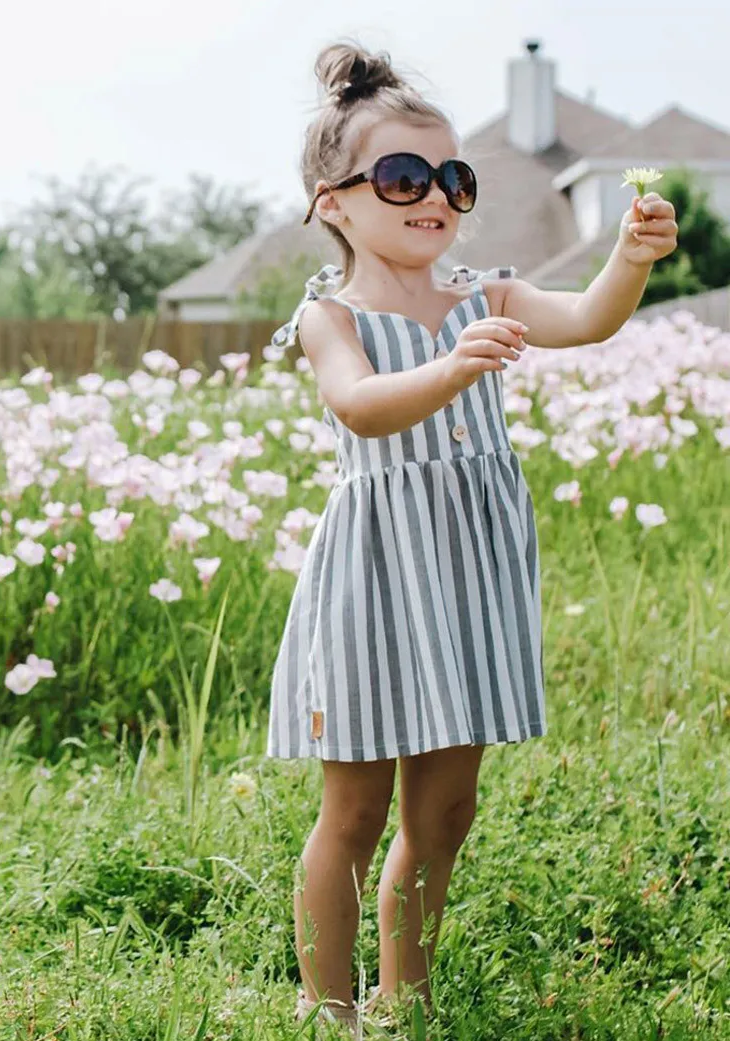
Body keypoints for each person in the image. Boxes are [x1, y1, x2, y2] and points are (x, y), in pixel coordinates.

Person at [263, 39, 678, 1030]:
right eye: (404, 176)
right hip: (373, 585)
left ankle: (404, 997)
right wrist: (450, 373)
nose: (434, 196)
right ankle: (328, 1012)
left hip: (468, 581)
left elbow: (583, 320)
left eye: (453, 177)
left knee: (444, 812)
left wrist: (628, 259)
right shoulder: (332, 317)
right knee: (354, 813)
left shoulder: (484, 293)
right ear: (335, 202)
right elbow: (360, 408)